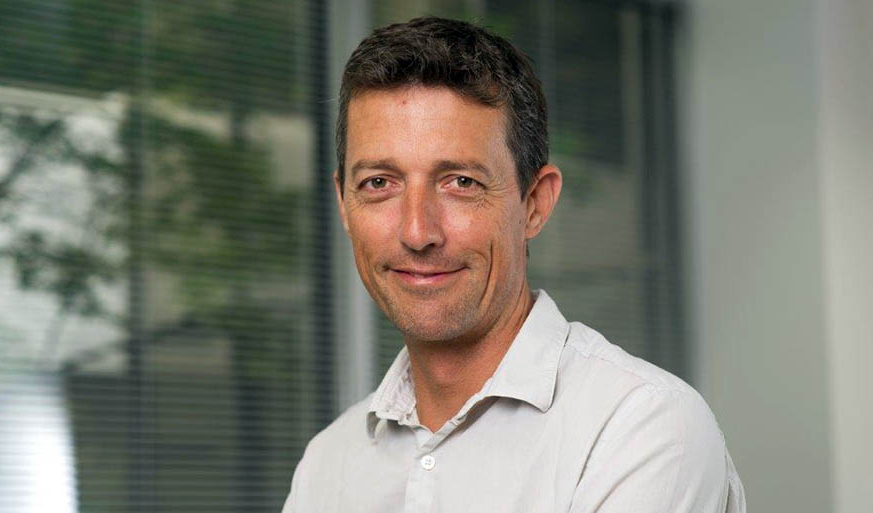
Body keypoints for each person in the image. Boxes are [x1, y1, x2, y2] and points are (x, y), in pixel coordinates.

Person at [282, 16, 745, 513]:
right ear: (344, 204)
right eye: (379, 183)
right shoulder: (326, 465)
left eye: (461, 182)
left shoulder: (643, 430)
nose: (417, 232)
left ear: (534, 205)